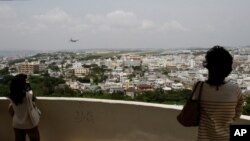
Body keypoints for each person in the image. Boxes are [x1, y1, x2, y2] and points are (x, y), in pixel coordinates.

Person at [192, 46, 244, 141]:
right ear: (228, 69)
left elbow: (195, 109)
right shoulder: (235, 89)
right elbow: (238, 111)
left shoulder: (198, 87)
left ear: (207, 66)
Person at [8, 74, 40, 141]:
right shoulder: (28, 95)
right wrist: (28, 84)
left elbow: (11, 109)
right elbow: (32, 96)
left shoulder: (11, 96)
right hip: (30, 124)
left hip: (17, 124)